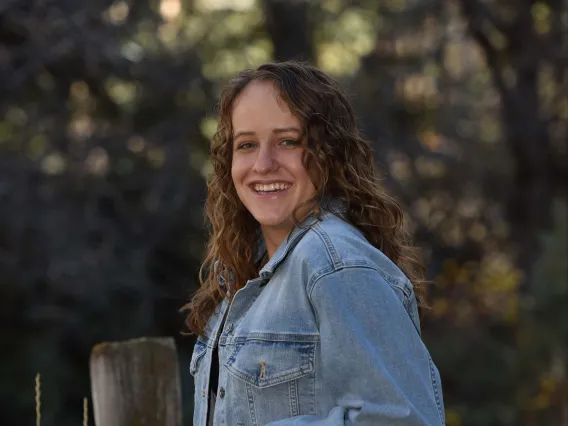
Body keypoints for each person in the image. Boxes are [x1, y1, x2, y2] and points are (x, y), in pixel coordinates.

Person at [183, 61, 445, 426]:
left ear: (330, 153)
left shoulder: (334, 264)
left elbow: (404, 420)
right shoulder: (246, 275)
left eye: (288, 141)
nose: (263, 163)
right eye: (246, 145)